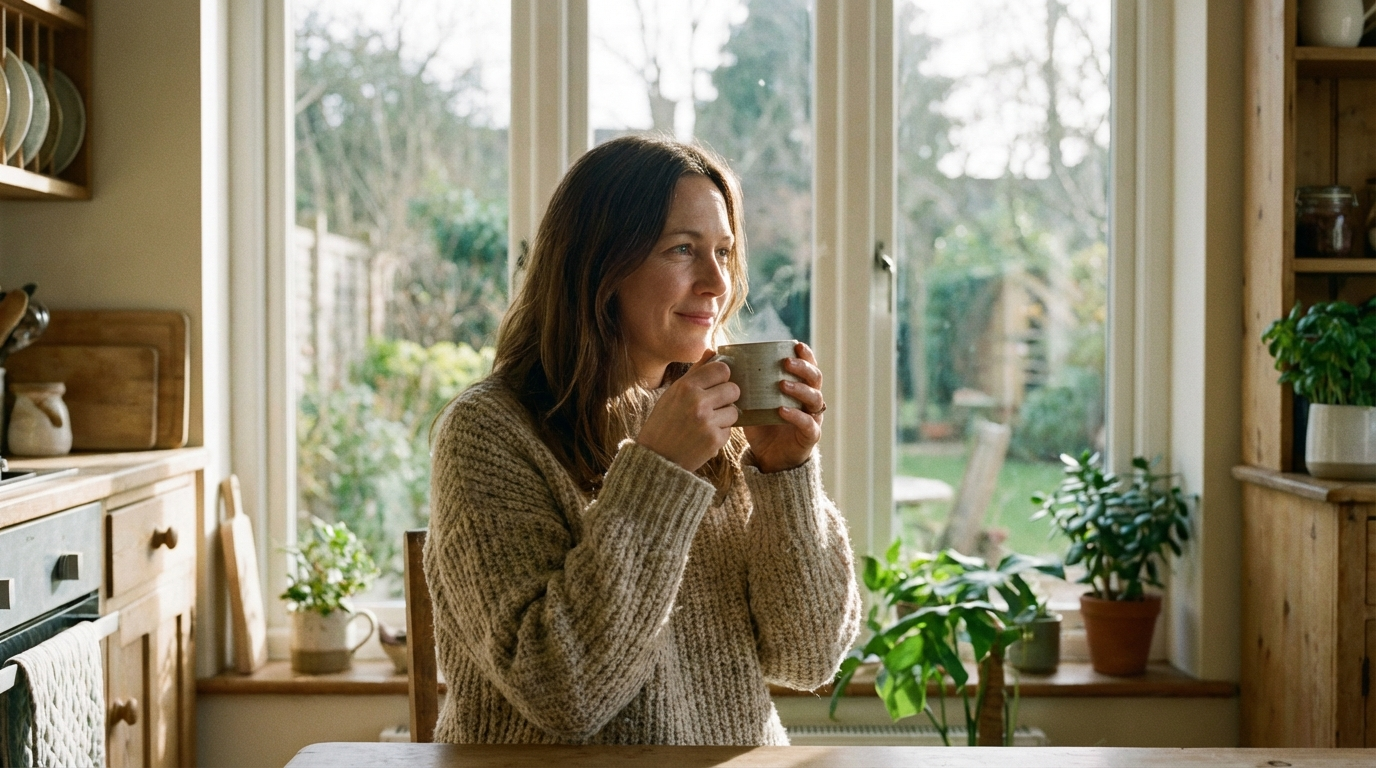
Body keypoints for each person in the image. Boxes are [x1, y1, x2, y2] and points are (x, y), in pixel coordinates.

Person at [424, 134, 861, 746]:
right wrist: (658, 471)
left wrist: (787, 475)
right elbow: (564, 692)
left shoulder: (719, 420)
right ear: (598, 266)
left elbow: (808, 657)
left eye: (724, 252)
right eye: (683, 249)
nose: (716, 282)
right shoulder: (489, 432)